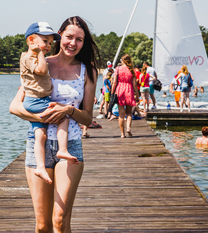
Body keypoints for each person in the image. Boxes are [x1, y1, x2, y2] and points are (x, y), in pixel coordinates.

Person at [9, 16, 99, 232]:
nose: (73, 43)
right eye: (69, 37)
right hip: (38, 146)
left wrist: (68, 110)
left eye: (79, 39)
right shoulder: (40, 64)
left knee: (60, 220)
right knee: (42, 226)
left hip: (70, 145)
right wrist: (43, 118)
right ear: (59, 37)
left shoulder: (89, 71)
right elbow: (14, 106)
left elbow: (88, 117)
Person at [20, 22, 77, 185]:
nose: (48, 46)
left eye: (51, 43)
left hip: (38, 100)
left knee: (40, 134)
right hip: (36, 101)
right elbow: (42, 71)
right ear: (31, 40)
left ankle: (40, 166)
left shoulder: (32, 56)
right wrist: (39, 54)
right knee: (63, 116)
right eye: (45, 41)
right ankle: (63, 149)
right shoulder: (29, 57)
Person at [112, 54, 139, 138]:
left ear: (122, 61)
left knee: (121, 114)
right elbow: (135, 85)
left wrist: (112, 93)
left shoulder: (118, 69)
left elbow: (114, 82)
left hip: (120, 90)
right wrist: (137, 95)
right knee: (129, 112)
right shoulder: (132, 70)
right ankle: (128, 128)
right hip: (129, 90)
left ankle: (122, 134)